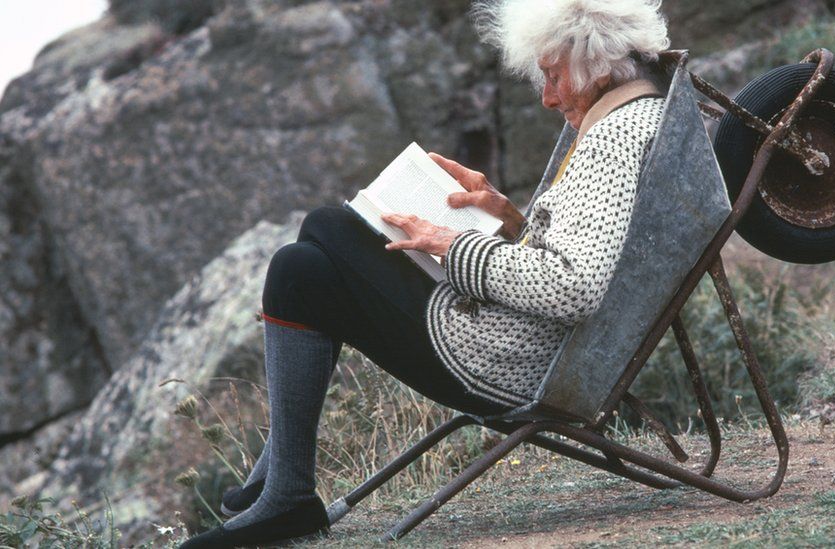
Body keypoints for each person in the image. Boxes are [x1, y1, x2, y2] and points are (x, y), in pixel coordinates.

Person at [180, 0, 670, 546]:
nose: (548, 96)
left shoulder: (614, 139)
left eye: (554, 76)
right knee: (301, 266)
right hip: (523, 345)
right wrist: (507, 219)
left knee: (326, 229)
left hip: (508, 364)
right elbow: (582, 258)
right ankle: (282, 487)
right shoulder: (637, 120)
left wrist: (449, 242)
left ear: (597, 62)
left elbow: (573, 286)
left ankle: (282, 490)